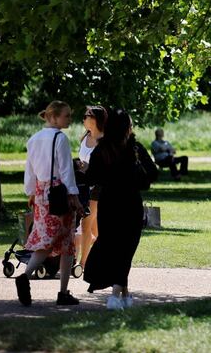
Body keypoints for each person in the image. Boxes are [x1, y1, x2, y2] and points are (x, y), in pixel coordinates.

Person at [83, 108, 159, 310]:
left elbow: (91, 178)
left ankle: (124, 294)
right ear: (127, 127)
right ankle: (116, 295)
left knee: (114, 247)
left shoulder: (102, 149)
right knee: (126, 249)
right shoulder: (135, 148)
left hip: (108, 204)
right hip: (130, 203)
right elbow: (153, 173)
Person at [15, 101, 84, 307]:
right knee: (64, 242)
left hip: (41, 192)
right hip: (59, 193)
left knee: (47, 238)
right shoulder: (59, 138)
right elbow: (66, 171)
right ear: (53, 117)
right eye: (66, 116)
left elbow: (30, 170)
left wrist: (31, 192)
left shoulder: (34, 139)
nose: (69, 119)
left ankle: (57, 289)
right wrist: (74, 196)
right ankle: (50, 287)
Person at [74, 105, 107, 268]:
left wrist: (89, 167)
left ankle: (83, 264)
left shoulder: (105, 141)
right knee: (95, 231)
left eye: (87, 115)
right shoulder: (85, 137)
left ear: (95, 119)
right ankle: (105, 258)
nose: (84, 118)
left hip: (98, 188)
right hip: (84, 186)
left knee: (86, 225)